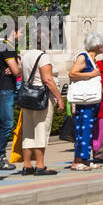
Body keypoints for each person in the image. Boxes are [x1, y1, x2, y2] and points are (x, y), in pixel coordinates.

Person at [18, 36, 62, 176]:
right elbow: (47, 80)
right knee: (41, 129)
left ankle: (27, 166)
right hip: (41, 97)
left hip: (27, 97)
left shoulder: (25, 56)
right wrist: (59, 98)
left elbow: (23, 77)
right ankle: (40, 165)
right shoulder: (43, 57)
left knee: (28, 132)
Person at [68, 32, 103, 171]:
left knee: (89, 131)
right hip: (84, 101)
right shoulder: (83, 57)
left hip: (91, 100)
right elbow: (72, 74)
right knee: (83, 130)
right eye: (102, 44)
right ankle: (77, 161)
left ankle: (85, 159)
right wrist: (91, 74)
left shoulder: (92, 58)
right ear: (97, 45)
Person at [0, 26, 21, 171]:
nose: (20, 34)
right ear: (13, 33)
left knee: (0, 125)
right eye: (19, 31)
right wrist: (19, 65)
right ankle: (0, 158)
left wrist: (15, 66)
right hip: (7, 89)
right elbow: (16, 71)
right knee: (7, 124)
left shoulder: (0, 46)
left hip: (1, 89)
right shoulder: (8, 48)